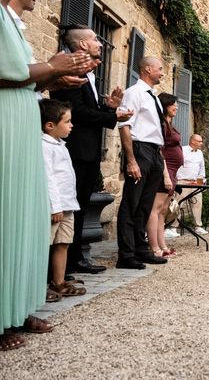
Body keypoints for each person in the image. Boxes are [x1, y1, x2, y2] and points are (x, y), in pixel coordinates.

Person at [0, 0, 96, 351]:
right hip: (8, 122)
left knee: (22, 220)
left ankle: (15, 310)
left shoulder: (10, 22)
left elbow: (16, 70)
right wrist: (51, 67)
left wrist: (52, 76)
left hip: (20, 117)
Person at [51, 25, 133, 274]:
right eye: (95, 39)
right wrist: (113, 118)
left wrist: (108, 106)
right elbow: (77, 112)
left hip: (88, 151)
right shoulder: (70, 73)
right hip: (75, 150)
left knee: (80, 206)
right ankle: (63, 265)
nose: (100, 43)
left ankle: (75, 259)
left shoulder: (90, 77)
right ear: (83, 45)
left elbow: (91, 109)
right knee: (71, 207)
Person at [116, 56, 169, 269]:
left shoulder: (153, 96)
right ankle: (126, 255)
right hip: (140, 150)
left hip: (155, 152)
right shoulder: (133, 93)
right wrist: (131, 160)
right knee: (131, 203)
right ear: (148, 69)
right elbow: (124, 126)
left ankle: (141, 249)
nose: (163, 73)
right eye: (160, 69)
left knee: (145, 206)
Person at [39, 99, 86, 298]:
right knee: (45, 245)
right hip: (55, 207)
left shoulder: (61, 145)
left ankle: (58, 282)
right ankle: (38, 287)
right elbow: (48, 177)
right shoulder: (44, 146)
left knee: (63, 243)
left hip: (68, 205)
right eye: (67, 122)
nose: (71, 125)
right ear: (50, 126)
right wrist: (55, 206)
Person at [146, 93, 182, 258]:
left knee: (163, 211)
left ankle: (163, 245)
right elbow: (160, 151)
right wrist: (166, 175)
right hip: (164, 171)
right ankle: (154, 247)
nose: (176, 107)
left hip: (173, 172)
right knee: (156, 209)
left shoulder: (169, 124)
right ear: (165, 105)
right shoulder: (161, 124)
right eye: (173, 104)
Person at [169, 134, 207, 237]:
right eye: (199, 141)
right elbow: (175, 164)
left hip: (195, 182)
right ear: (193, 141)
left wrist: (202, 179)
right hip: (182, 181)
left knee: (197, 203)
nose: (201, 143)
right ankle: (173, 227)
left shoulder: (200, 153)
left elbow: (202, 167)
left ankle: (198, 226)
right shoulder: (182, 150)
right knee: (178, 204)